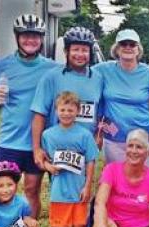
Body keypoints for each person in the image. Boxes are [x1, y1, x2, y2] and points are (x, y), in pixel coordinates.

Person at [0, 14, 57, 219]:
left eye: (35, 36)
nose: (30, 40)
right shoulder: (1, 66)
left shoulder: (53, 68)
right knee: (4, 192)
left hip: (37, 143)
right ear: (17, 37)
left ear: (41, 39)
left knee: (32, 190)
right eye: (25, 36)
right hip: (9, 140)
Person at [40, 92, 98, 227]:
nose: (66, 113)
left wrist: (87, 185)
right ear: (56, 111)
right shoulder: (48, 135)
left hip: (78, 188)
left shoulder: (84, 134)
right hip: (59, 190)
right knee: (59, 225)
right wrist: (49, 166)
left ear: (78, 111)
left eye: (70, 110)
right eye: (62, 110)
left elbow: (90, 161)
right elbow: (45, 159)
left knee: (80, 225)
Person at [32, 26, 103, 168]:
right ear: (66, 51)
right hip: (58, 146)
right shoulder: (52, 76)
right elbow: (39, 113)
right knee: (60, 186)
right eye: (76, 49)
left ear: (90, 53)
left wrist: (99, 136)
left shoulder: (98, 78)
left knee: (84, 188)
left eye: (84, 50)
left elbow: (100, 113)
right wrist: (37, 149)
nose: (80, 54)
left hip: (85, 145)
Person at [93, 29, 149, 170]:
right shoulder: (102, 70)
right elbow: (82, 75)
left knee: (144, 180)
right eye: (123, 44)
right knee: (116, 180)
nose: (128, 47)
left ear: (138, 49)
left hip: (143, 136)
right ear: (116, 48)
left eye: (132, 44)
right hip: (114, 137)